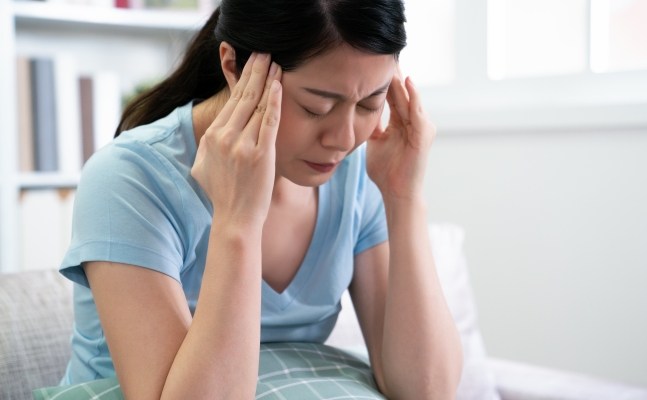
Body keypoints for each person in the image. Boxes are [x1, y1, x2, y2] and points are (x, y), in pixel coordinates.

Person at [57, 0, 463, 398]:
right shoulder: (129, 178)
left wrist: (402, 197)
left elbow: (427, 389)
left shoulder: (356, 176)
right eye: (315, 107)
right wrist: (238, 220)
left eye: (370, 104)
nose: (343, 140)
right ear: (233, 66)